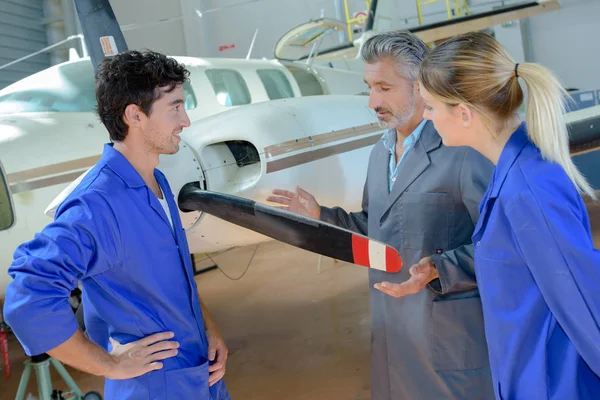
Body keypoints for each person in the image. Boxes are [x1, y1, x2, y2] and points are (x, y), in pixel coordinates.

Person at [268, 30, 495, 399]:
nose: (372, 101)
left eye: (384, 88)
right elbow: (375, 227)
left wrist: (441, 267)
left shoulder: (462, 150)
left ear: (421, 86)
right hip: (394, 334)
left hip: (448, 340)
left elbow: (503, 244)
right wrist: (320, 214)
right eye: (369, 87)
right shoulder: (380, 152)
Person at [3, 50, 230, 400]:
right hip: (155, 387)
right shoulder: (96, 204)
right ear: (135, 115)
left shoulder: (157, 183)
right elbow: (29, 296)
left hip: (201, 375)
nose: (185, 120)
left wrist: (208, 328)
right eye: (174, 107)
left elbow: (170, 279)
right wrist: (109, 365)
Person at [417, 31, 600, 399]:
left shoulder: (527, 191)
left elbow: (586, 304)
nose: (425, 116)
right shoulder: (511, 174)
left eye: (430, 107)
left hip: (553, 385)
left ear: (463, 113)